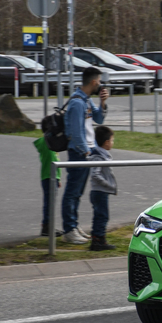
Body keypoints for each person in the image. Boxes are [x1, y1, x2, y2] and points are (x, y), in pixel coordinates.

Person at [61, 67, 109, 244]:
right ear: (94, 81)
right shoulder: (77, 103)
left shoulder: (86, 100)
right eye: (99, 81)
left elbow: (99, 119)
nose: (100, 85)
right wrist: (86, 152)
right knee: (72, 192)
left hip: (87, 153)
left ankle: (73, 225)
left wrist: (102, 103)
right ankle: (69, 229)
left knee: (78, 192)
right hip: (80, 154)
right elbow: (75, 133)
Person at [88, 126, 117, 251]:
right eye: (112, 140)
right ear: (106, 142)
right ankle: (98, 240)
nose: (112, 142)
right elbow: (95, 174)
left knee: (100, 215)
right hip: (100, 191)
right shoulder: (99, 156)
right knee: (102, 216)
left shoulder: (102, 154)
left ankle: (99, 239)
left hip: (100, 191)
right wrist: (107, 185)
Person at [33, 136, 63, 237]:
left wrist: (58, 178)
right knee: (50, 203)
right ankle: (47, 227)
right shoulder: (48, 144)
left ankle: (48, 225)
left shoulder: (48, 143)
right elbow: (54, 161)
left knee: (50, 202)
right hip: (49, 176)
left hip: (50, 176)